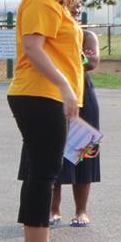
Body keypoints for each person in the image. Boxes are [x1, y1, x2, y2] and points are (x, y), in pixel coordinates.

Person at [7, 0, 88, 242]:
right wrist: (65, 86)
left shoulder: (58, 3)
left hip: (48, 95)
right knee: (43, 171)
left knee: (42, 170)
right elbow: (33, 48)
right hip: (39, 94)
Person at [19, 27, 101, 226]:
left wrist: (64, 55)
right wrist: (74, 56)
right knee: (52, 152)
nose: (76, 9)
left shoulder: (87, 36)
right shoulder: (46, 33)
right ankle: (53, 209)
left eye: (78, 8)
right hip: (50, 93)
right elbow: (37, 56)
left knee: (83, 152)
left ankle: (81, 210)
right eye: (71, 7)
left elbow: (91, 62)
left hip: (82, 95)